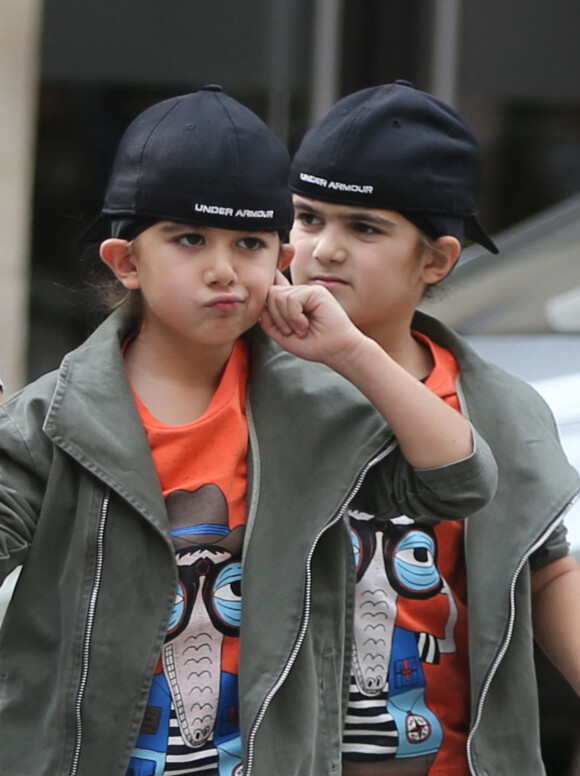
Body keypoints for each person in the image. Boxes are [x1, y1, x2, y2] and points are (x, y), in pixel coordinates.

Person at [0, 86, 496, 776]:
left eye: (252, 243)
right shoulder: (49, 422)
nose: (225, 269)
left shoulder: (316, 410)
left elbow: (460, 482)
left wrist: (353, 353)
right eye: (190, 239)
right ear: (126, 262)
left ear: (281, 256)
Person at [273, 80, 580, 776]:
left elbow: (546, 565)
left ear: (436, 260)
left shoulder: (497, 407)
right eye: (308, 217)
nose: (324, 249)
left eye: (365, 227)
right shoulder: (246, 380)